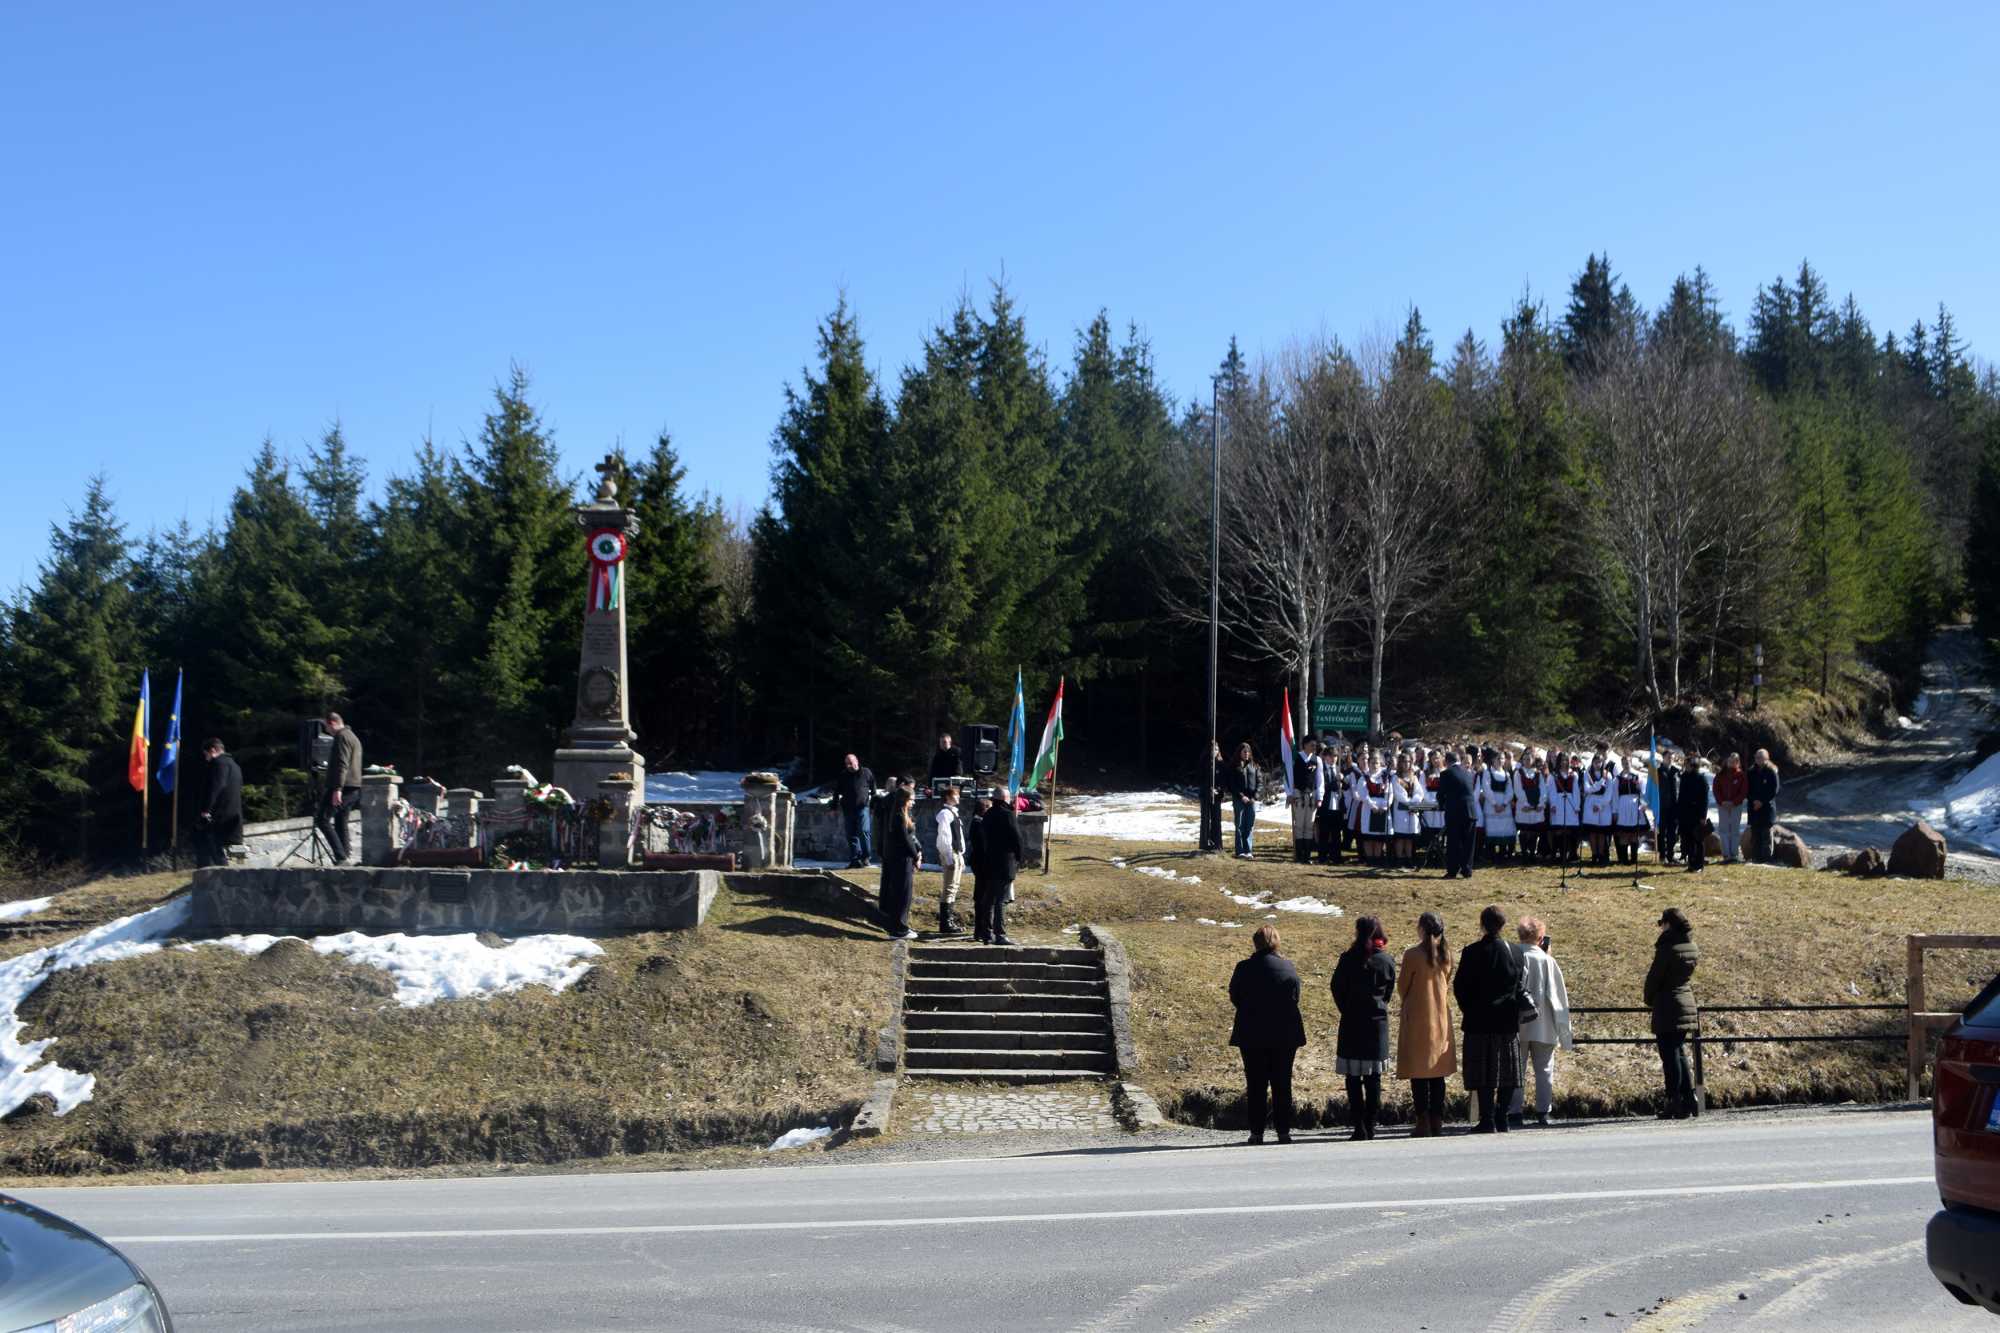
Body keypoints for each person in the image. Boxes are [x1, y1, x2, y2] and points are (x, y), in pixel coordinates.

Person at [1229, 925, 1308, 1145]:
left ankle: (1256, 1132)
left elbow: (1235, 996)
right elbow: (1295, 997)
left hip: (1252, 1032)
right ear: (1276, 942)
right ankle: (1284, 1131)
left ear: (1256, 943)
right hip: (1284, 1034)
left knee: (1256, 1084)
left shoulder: (1244, 968)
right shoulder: (1287, 967)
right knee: (1282, 1083)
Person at [1454, 904, 1524, 1134]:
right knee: (1507, 1072)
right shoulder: (1516, 952)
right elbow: (1519, 985)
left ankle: (1487, 1119)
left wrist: (1469, 1010)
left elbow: (1460, 987)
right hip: (1507, 1020)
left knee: (1483, 1074)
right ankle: (1502, 1117)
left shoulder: (1472, 952)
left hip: (1479, 1019)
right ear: (1503, 925)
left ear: (1482, 924)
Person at [1331, 916, 1397, 1140]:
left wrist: (1346, 1008)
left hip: (1351, 1022)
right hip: (1377, 1024)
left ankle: (1358, 1125)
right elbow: (1388, 992)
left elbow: (1336, 988)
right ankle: (1371, 1124)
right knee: (1373, 1078)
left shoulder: (1348, 959)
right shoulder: (1386, 961)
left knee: (1352, 1077)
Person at [1510, 917, 1574, 1127]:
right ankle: (1543, 1111)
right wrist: (1564, 1030)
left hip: (1516, 1023)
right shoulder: (1547, 961)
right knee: (1545, 1068)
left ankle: (1514, 1111)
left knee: (1516, 1069)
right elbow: (1558, 997)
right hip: (1544, 1024)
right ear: (1540, 938)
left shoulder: (1513, 955)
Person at [1397, 911, 1457, 1138]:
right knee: (1437, 1074)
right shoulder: (1445, 954)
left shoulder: (1412, 954)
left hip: (1417, 1017)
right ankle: (1437, 1120)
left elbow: (1403, 986)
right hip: (1439, 1016)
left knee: (1418, 1073)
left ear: (1421, 929)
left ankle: (1422, 1120)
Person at [1644, 907, 1701, 1118]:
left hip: (1668, 1004)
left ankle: (1673, 1100)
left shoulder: (1667, 948)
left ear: (1669, 924)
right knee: (1679, 1053)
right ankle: (1690, 1098)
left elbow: (1654, 978)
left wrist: (1649, 998)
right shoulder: (1691, 946)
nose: (1660, 928)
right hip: (1686, 1001)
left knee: (1669, 1057)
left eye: (1662, 923)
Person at [974, 790, 1023, 945]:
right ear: (1003, 799)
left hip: (989, 862)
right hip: (1004, 862)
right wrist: (1019, 858)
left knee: (988, 898)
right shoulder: (1008, 815)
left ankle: (986, 933)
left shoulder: (987, 815)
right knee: (1000, 900)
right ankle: (1000, 934)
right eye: (1008, 797)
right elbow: (1017, 839)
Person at [315, 712, 363, 863]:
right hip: (354, 787)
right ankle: (345, 856)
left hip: (342, 786)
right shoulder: (353, 736)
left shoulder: (341, 737)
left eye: (327, 727)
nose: (327, 731)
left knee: (322, 819)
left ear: (333, 723)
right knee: (341, 821)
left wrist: (337, 789)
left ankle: (341, 857)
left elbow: (342, 764)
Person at [878, 787, 920, 940]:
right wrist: (916, 857)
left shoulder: (900, 816)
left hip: (902, 860)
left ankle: (898, 926)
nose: (913, 802)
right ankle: (899, 929)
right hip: (901, 860)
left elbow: (910, 838)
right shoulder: (898, 817)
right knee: (902, 895)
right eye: (911, 799)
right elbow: (906, 840)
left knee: (902, 894)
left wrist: (916, 852)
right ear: (904, 800)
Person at [194, 737, 243, 868]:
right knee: (229, 849)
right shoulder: (235, 765)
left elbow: (215, 787)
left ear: (213, 750)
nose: (206, 758)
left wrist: (205, 810)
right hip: (234, 813)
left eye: (206, 754)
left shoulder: (218, 764)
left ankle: (213, 874)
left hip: (219, 815)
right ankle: (236, 868)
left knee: (210, 845)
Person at [1437, 750, 1478, 879]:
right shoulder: (1468, 773)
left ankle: (1452, 870)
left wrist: (1442, 804)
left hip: (1455, 812)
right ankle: (1467, 870)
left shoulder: (1446, 773)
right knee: (1468, 843)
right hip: (1470, 811)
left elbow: (1441, 794)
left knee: (1454, 842)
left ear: (1447, 762)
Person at [833, 754, 876, 869]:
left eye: (851, 763)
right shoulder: (843, 775)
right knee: (851, 835)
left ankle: (866, 857)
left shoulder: (866, 772)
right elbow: (837, 791)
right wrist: (834, 806)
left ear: (857, 761)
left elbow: (873, 789)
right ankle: (855, 859)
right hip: (848, 809)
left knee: (864, 831)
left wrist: (873, 805)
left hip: (863, 807)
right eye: (847, 763)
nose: (849, 766)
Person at [933, 785, 966, 934]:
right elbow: (944, 836)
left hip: (956, 852)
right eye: (955, 795)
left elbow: (959, 836)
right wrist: (948, 856)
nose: (958, 797)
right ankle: (945, 923)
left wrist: (961, 855)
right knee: (949, 888)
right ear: (947, 797)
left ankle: (949, 920)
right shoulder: (945, 814)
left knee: (954, 887)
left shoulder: (954, 813)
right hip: (950, 852)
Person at [1478, 749, 1516, 864]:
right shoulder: (1487, 773)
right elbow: (1486, 788)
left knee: (1504, 828)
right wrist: (1494, 803)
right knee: (1492, 828)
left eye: (1502, 758)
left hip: (1504, 805)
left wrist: (1504, 803)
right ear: (1493, 760)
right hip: (1492, 805)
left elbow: (1510, 790)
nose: (1500, 761)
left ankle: (1503, 853)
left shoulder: (1507, 774)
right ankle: (1491, 854)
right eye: (1498, 758)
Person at [1290, 735, 1323, 864]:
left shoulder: (1317, 760)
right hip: (1298, 795)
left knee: (1309, 825)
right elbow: (1290, 777)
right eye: (1312, 745)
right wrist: (1290, 793)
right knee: (1299, 825)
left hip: (1311, 796)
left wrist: (1319, 797)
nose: (1314, 747)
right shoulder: (1296, 758)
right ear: (1305, 745)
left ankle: (1307, 856)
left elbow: (1320, 780)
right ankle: (1299, 855)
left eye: (1315, 745)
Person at [1612, 757, 1649, 865]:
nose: (1625, 764)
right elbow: (1614, 796)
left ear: (1631, 762)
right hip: (1622, 806)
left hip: (1635, 805)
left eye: (1627, 762)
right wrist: (1615, 810)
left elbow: (1644, 792)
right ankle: (1624, 859)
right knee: (1623, 834)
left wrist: (1643, 804)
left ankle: (1634, 859)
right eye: (1623, 763)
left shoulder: (1638, 776)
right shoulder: (1617, 779)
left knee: (1634, 834)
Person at [1747, 749, 1781, 864]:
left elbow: (1774, 790)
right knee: (1755, 833)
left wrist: (1761, 801)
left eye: (1760, 758)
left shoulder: (1771, 771)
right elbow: (1747, 789)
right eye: (1756, 757)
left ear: (1767, 758)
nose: (1758, 760)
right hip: (1754, 807)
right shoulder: (1751, 772)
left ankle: (1767, 858)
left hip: (1767, 807)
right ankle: (1756, 857)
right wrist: (1754, 801)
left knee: (1766, 834)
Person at [1548, 752, 1583, 865]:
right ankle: (1558, 854)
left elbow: (1576, 791)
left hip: (1570, 802)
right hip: (1558, 802)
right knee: (1559, 829)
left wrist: (1577, 806)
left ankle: (1569, 854)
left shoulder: (1573, 775)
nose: (1564, 762)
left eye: (1566, 760)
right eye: (1562, 760)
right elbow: (1551, 791)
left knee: (1569, 829)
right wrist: (1553, 804)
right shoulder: (1553, 775)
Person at [1711, 752, 1747, 863]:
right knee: (1724, 830)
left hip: (1736, 806)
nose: (1732, 763)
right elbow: (1716, 790)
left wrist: (1734, 802)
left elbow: (1744, 791)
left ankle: (1734, 854)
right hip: (1723, 806)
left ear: (1738, 763)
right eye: (1730, 761)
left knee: (1735, 830)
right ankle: (1726, 854)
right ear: (1727, 762)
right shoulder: (1720, 775)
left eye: (1735, 761)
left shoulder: (1741, 775)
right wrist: (1722, 802)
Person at [1228, 742, 1261, 860]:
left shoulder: (1255, 766)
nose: (1246, 754)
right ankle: (1240, 851)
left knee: (1250, 825)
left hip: (1252, 800)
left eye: (1248, 752)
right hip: (1239, 800)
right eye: (1244, 752)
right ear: (1239, 753)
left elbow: (1259, 783)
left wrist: (1254, 796)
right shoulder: (1234, 766)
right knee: (1240, 825)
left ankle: (1248, 850)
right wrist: (1241, 796)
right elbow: (1231, 785)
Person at [1513, 751, 1548, 862]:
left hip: (1536, 807)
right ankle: (1524, 853)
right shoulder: (1518, 773)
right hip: (1524, 806)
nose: (1527, 762)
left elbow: (1543, 789)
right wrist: (1527, 804)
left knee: (1534, 831)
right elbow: (1518, 790)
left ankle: (1532, 853)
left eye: (1529, 759)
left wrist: (1540, 803)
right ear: (1522, 761)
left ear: (1533, 760)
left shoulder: (1538, 773)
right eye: (1525, 759)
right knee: (1524, 831)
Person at [1388, 754, 1421, 870]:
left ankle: (1409, 859)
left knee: (1409, 837)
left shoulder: (1414, 777)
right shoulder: (1395, 778)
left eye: (1408, 762)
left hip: (1412, 811)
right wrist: (1410, 804)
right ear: (1400, 764)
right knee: (1401, 836)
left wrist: (1414, 804)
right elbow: (1400, 795)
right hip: (1401, 811)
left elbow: (1419, 792)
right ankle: (1399, 859)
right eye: (1403, 762)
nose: (1406, 764)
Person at [1678, 760, 1711, 874]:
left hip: (1697, 813)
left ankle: (1699, 864)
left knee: (1698, 839)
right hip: (1685, 813)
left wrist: (1703, 816)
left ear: (1693, 766)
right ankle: (1691, 863)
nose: (1685, 767)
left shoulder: (1701, 779)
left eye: (1687, 765)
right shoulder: (1684, 777)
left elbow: (1704, 799)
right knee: (1687, 839)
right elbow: (1681, 796)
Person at [1315, 741, 1344, 865]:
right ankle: (1322, 856)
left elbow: (1342, 787)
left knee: (1336, 833)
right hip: (1326, 805)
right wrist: (1335, 782)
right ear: (1325, 757)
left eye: (1336, 756)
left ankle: (1336, 856)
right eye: (1331, 756)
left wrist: (1343, 782)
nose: (1334, 759)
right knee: (1324, 833)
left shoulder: (1338, 769)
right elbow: (1323, 787)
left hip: (1337, 805)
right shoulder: (1321, 770)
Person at [1581, 755, 1613, 866]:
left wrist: (1599, 805)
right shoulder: (1587, 774)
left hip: (1603, 805)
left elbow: (1609, 794)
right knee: (1593, 832)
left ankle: (1601, 854)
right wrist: (1600, 782)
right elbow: (1587, 789)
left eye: (1599, 762)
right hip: (1590, 803)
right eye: (1595, 761)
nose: (1597, 764)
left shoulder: (1608, 775)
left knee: (1601, 833)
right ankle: (1594, 855)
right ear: (1592, 762)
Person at [1655, 750, 1682, 864]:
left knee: (1673, 832)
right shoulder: (1658, 772)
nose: (1670, 758)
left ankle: (1670, 854)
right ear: (1663, 758)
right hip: (1662, 805)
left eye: (1671, 756)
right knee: (1662, 831)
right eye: (1668, 756)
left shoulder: (1676, 772)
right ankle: (1662, 855)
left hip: (1674, 806)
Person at [1200, 740, 1225, 853]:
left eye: (1216, 749)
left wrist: (1218, 790)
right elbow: (1199, 779)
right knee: (1205, 819)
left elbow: (1224, 781)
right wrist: (1208, 789)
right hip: (1205, 795)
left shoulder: (1221, 764)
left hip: (1217, 796)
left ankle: (1217, 843)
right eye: (1212, 749)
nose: (1214, 751)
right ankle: (1205, 843)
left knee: (1216, 819)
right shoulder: (1203, 763)